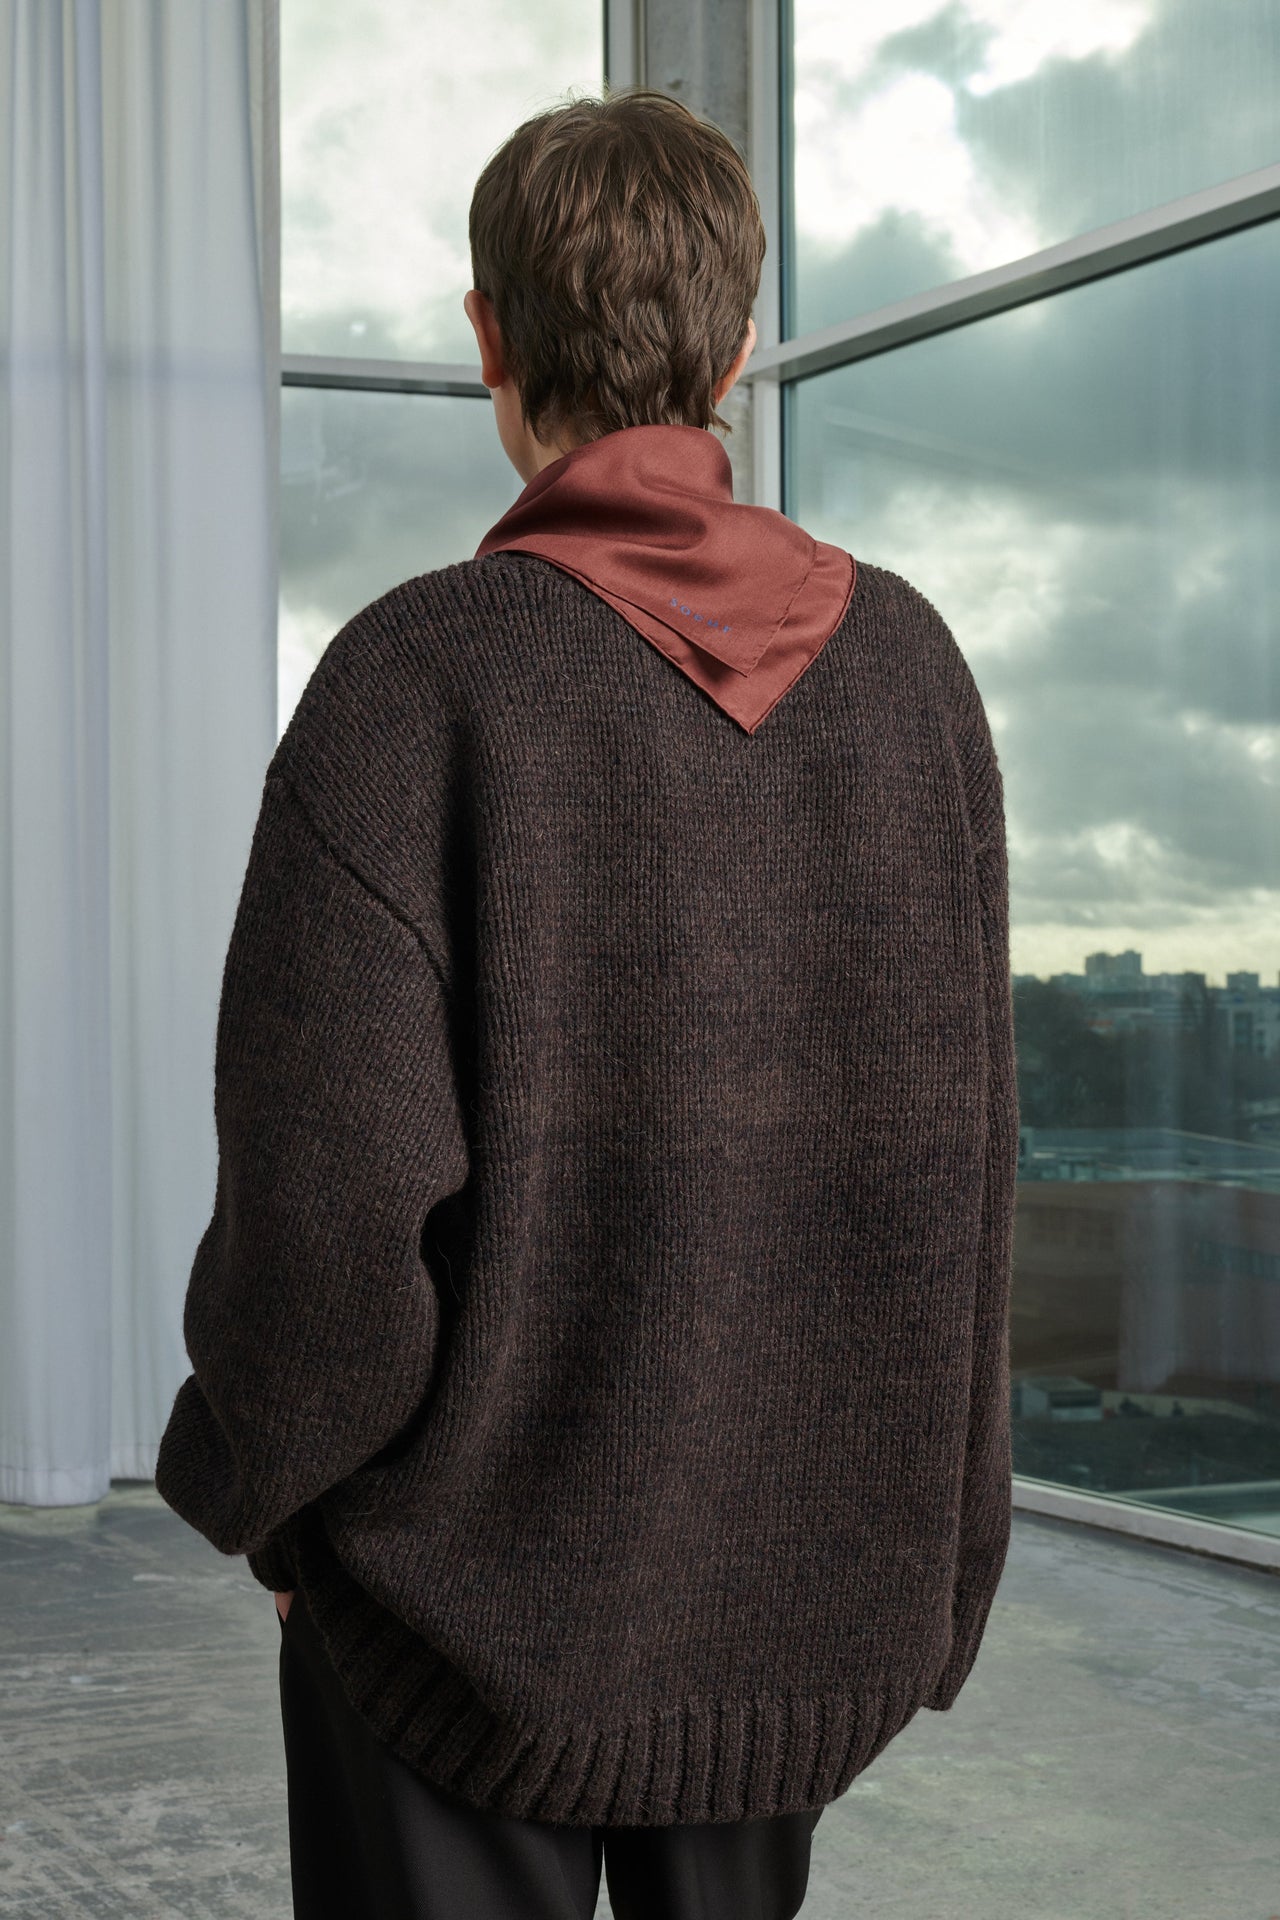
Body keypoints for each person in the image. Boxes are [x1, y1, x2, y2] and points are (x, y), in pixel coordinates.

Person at [155, 84, 1018, 1920]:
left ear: (487, 334)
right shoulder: (915, 676)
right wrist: (946, 1548)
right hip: (793, 1617)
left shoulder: (414, 682)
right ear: (740, 346)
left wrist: (261, 1488)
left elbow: (327, 1212)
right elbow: (968, 1170)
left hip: (453, 1628)